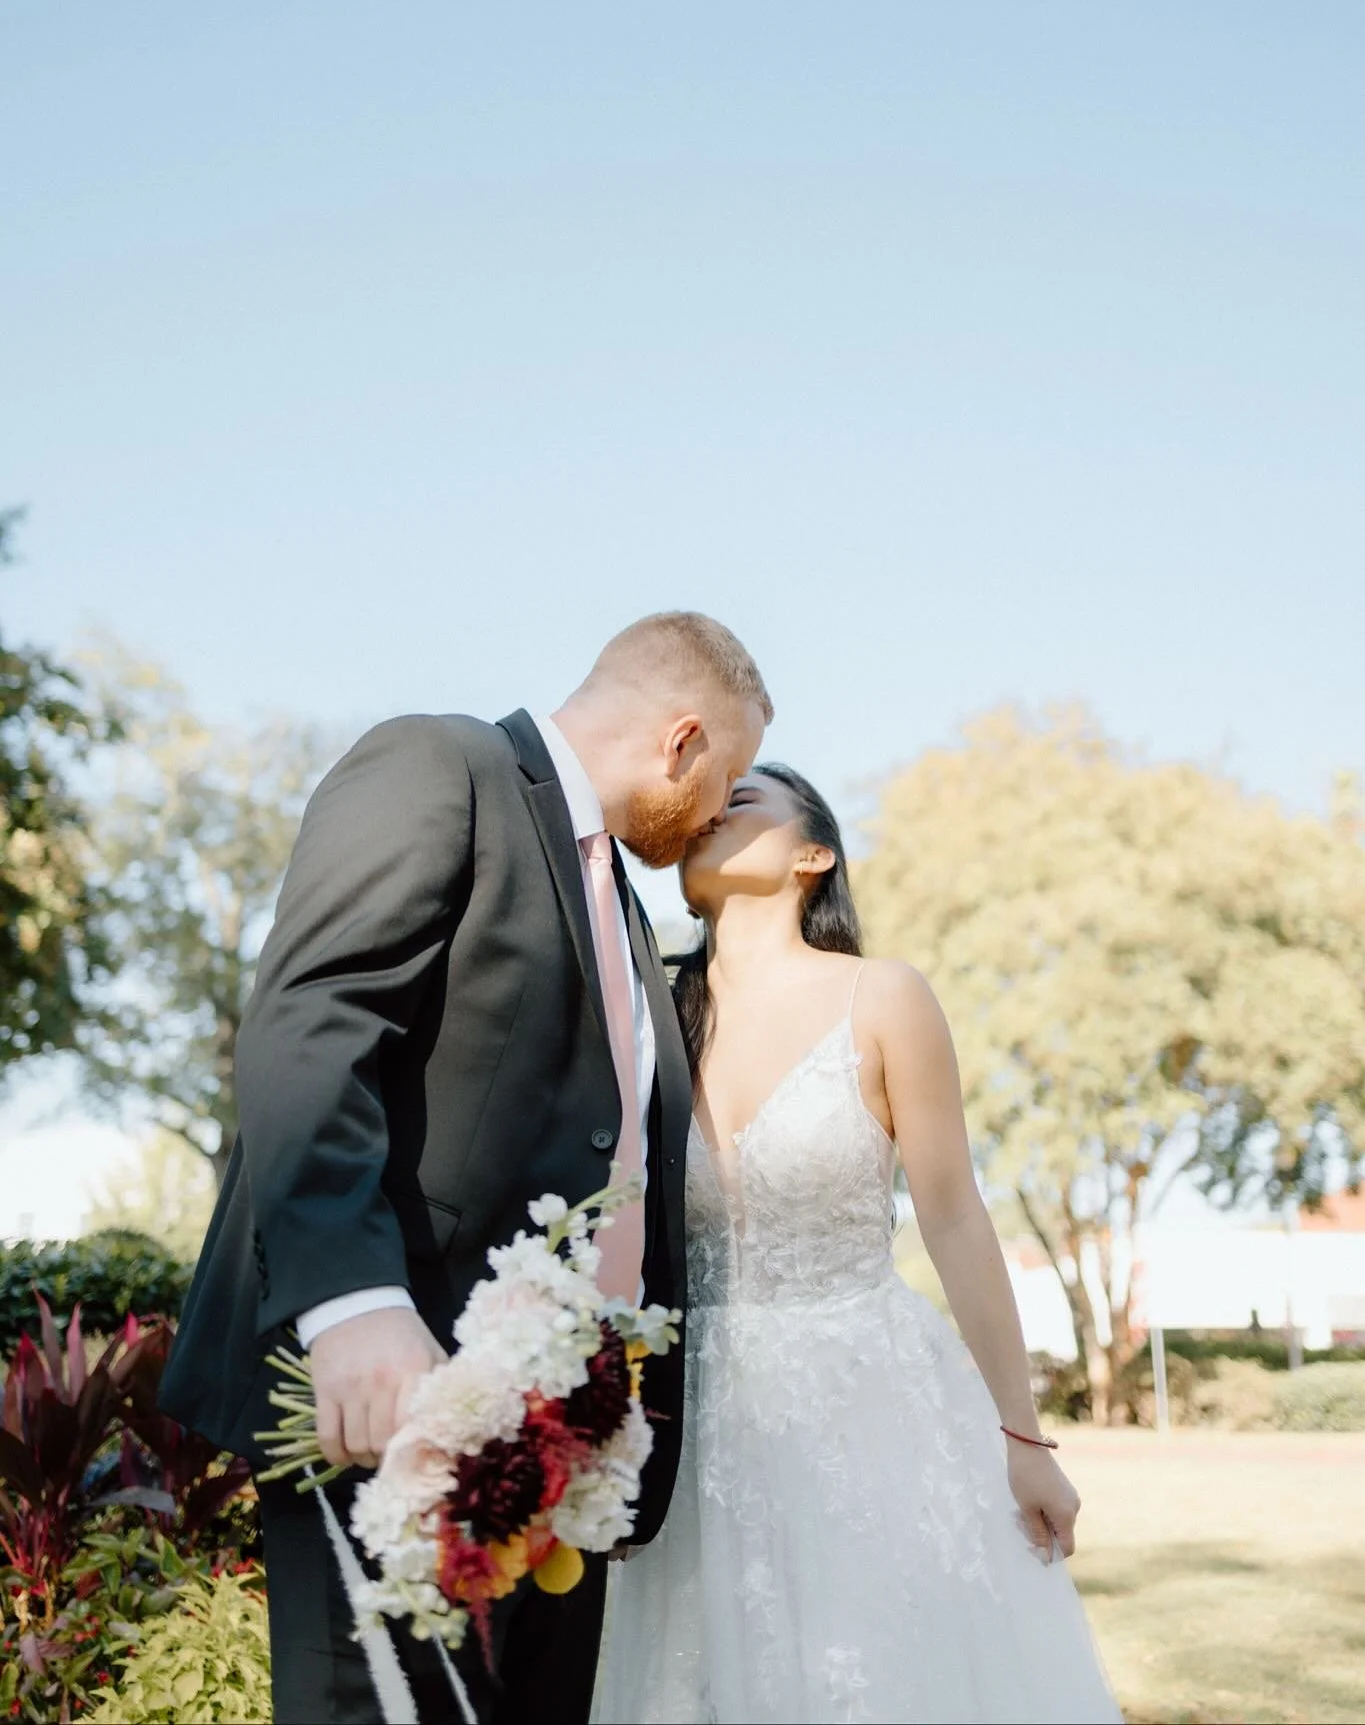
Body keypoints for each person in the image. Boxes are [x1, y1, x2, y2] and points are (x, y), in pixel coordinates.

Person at [157, 612, 772, 1725]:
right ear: (682, 740)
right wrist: (351, 1306)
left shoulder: (625, 913)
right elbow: (311, 1021)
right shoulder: (445, 764)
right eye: (725, 779)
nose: (718, 812)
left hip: (563, 1458)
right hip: (389, 1389)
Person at [593, 763, 1121, 1725]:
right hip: (691, 1428)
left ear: (812, 855)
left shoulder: (883, 997)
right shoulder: (647, 1019)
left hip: (868, 1409)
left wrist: (1023, 1438)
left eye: (741, 800)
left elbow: (954, 1216)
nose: (712, 809)